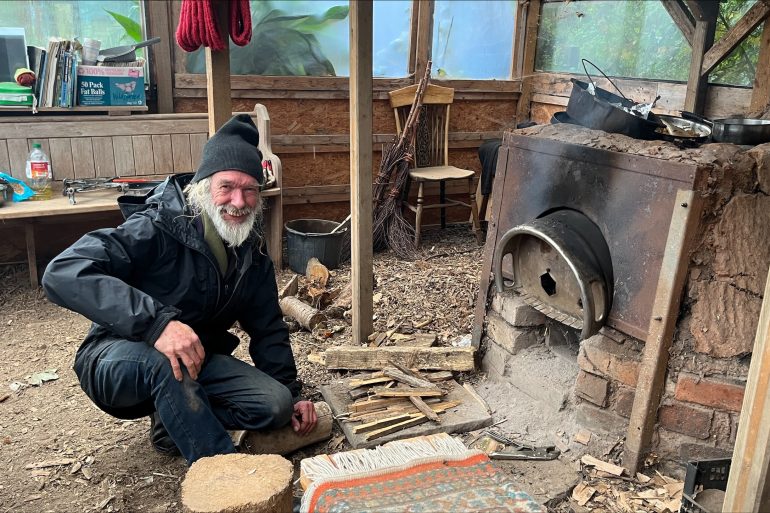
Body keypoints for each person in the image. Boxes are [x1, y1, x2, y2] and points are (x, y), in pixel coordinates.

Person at [42, 114, 317, 465]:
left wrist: (292, 394)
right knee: (167, 360)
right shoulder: (155, 228)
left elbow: (267, 328)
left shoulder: (252, 249)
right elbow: (63, 271)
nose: (239, 201)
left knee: (274, 406)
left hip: (195, 362)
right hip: (115, 358)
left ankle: (172, 423)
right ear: (203, 186)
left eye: (250, 190)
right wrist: (156, 324)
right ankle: (223, 476)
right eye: (227, 186)